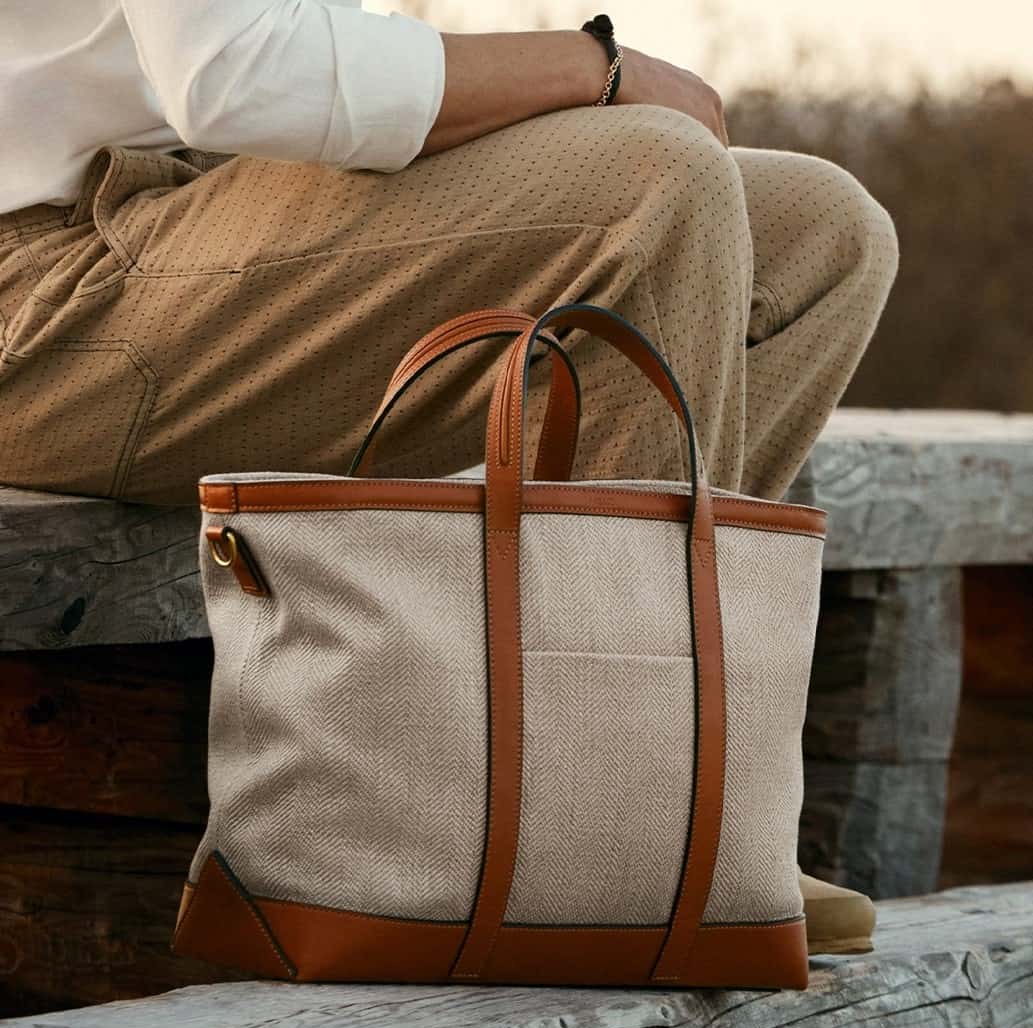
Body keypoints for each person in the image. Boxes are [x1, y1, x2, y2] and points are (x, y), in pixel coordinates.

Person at [0, 1, 895, 954]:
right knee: (653, 177)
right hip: (49, 291)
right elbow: (238, 72)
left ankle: (659, 796)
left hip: (197, 207)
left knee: (822, 233)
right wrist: (593, 66)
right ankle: (599, 836)